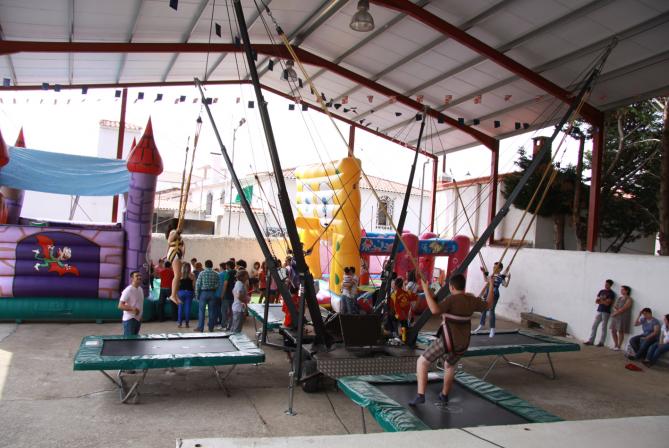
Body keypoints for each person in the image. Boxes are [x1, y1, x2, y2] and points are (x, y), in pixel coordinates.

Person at [409, 274, 495, 406]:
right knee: (449, 365)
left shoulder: (451, 300)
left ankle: (421, 395)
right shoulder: (471, 300)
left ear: (451, 287)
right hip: (463, 343)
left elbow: (434, 309)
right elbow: (488, 304)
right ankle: (444, 395)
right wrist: (491, 285)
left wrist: (425, 289)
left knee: (422, 362)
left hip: (447, 340)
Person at [474, 262, 510, 338]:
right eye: (493, 267)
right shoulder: (492, 275)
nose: (494, 268)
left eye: (496, 267)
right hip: (487, 293)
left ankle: (492, 329)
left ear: (500, 269)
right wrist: (483, 272)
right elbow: (486, 280)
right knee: (484, 309)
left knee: (491, 310)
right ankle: (481, 325)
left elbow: (505, 285)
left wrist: (509, 278)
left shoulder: (501, 277)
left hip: (494, 294)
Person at [585, 279, 615, 346]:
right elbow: (596, 301)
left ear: (610, 285)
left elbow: (607, 304)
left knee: (603, 327)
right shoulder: (601, 291)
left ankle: (601, 342)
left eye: (607, 284)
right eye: (605, 284)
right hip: (599, 310)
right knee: (594, 326)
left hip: (606, 312)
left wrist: (601, 301)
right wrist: (603, 301)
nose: (605, 285)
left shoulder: (611, 293)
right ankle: (591, 341)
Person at [194, 260, 220, 332]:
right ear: (212, 265)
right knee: (212, 311)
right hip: (212, 293)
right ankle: (211, 328)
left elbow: (198, 284)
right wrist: (214, 288)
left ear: (205, 265)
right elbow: (218, 284)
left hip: (203, 293)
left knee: (201, 311)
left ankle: (200, 328)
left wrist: (197, 294)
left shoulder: (201, 273)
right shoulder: (216, 274)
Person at [118, 271, 144, 336]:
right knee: (129, 340)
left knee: (135, 339)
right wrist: (133, 309)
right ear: (132, 278)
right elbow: (120, 306)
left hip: (138, 319)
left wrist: (140, 315)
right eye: (137, 276)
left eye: (140, 275)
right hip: (130, 319)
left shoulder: (140, 289)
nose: (139, 277)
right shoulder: (128, 290)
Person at [609, 285, 634, 351]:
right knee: (613, 330)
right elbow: (615, 306)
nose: (621, 291)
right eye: (621, 289)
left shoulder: (629, 299)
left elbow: (624, 309)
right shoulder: (620, 298)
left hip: (623, 317)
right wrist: (615, 310)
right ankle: (615, 344)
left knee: (620, 331)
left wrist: (615, 313)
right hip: (616, 316)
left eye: (623, 290)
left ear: (627, 291)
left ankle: (619, 346)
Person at [165, 223, 184, 305]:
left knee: (178, 275)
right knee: (177, 275)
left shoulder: (176, 233)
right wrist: (176, 232)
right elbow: (169, 241)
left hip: (177, 254)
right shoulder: (173, 232)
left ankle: (175, 295)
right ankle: (173, 295)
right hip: (175, 253)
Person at [177, 262, 195, 328]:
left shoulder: (180, 275)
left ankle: (179, 323)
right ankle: (187, 323)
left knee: (180, 308)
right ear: (189, 268)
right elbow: (193, 285)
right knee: (188, 308)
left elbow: (178, 284)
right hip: (189, 292)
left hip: (181, 292)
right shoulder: (192, 275)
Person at [220, 260, 237, 330]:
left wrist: (222, 294)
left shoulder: (227, 273)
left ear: (228, 266)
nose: (225, 266)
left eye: (226, 265)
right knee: (232, 312)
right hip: (234, 295)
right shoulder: (237, 272)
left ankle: (224, 325)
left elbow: (225, 284)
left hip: (227, 295)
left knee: (224, 311)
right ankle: (231, 326)